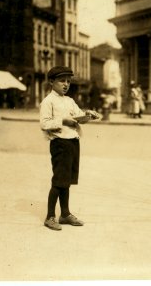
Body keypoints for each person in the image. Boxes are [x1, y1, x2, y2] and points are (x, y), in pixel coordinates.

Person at [40, 65, 101, 230]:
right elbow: (44, 123)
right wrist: (63, 121)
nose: (66, 84)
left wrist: (88, 115)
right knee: (59, 180)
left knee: (66, 180)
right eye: (61, 81)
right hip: (60, 142)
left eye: (68, 81)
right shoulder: (48, 101)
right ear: (52, 82)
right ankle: (50, 216)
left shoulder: (70, 101)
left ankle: (65, 214)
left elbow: (79, 118)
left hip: (73, 141)